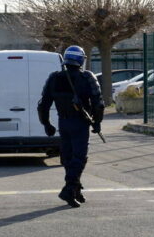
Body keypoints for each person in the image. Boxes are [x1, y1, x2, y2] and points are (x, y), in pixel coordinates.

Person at [38, 45, 104, 207]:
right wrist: (97, 122)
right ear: (81, 59)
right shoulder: (87, 77)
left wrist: (46, 124)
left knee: (68, 157)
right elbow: (99, 104)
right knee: (79, 157)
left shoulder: (54, 78)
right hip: (80, 122)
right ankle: (68, 189)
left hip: (63, 122)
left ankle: (75, 189)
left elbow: (42, 105)